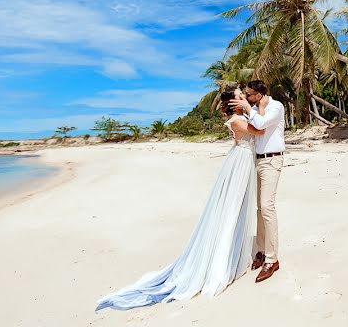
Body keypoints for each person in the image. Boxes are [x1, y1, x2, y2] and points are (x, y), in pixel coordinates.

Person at [94, 87, 260, 311]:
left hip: (242, 159)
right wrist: (251, 109)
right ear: (233, 102)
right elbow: (258, 131)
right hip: (240, 161)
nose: (243, 96)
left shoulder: (240, 117)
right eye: (240, 95)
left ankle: (232, 251)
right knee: (230, 209)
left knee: (236, 207)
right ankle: (223, 258)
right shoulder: (238, 120)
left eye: (243, 94)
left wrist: (250, 110)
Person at [229, 79, 285, 283]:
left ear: (259, 95)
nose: (247, 98)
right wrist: (246, 107)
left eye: (250, 95)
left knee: (267, 207)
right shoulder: (256, 108)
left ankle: (272, 259)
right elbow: (251, 127)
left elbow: (260, 125)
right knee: (259, 209)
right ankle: (261, 250)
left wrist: (249, 108)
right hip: (258, 160)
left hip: (272, 160)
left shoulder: (276, 106)